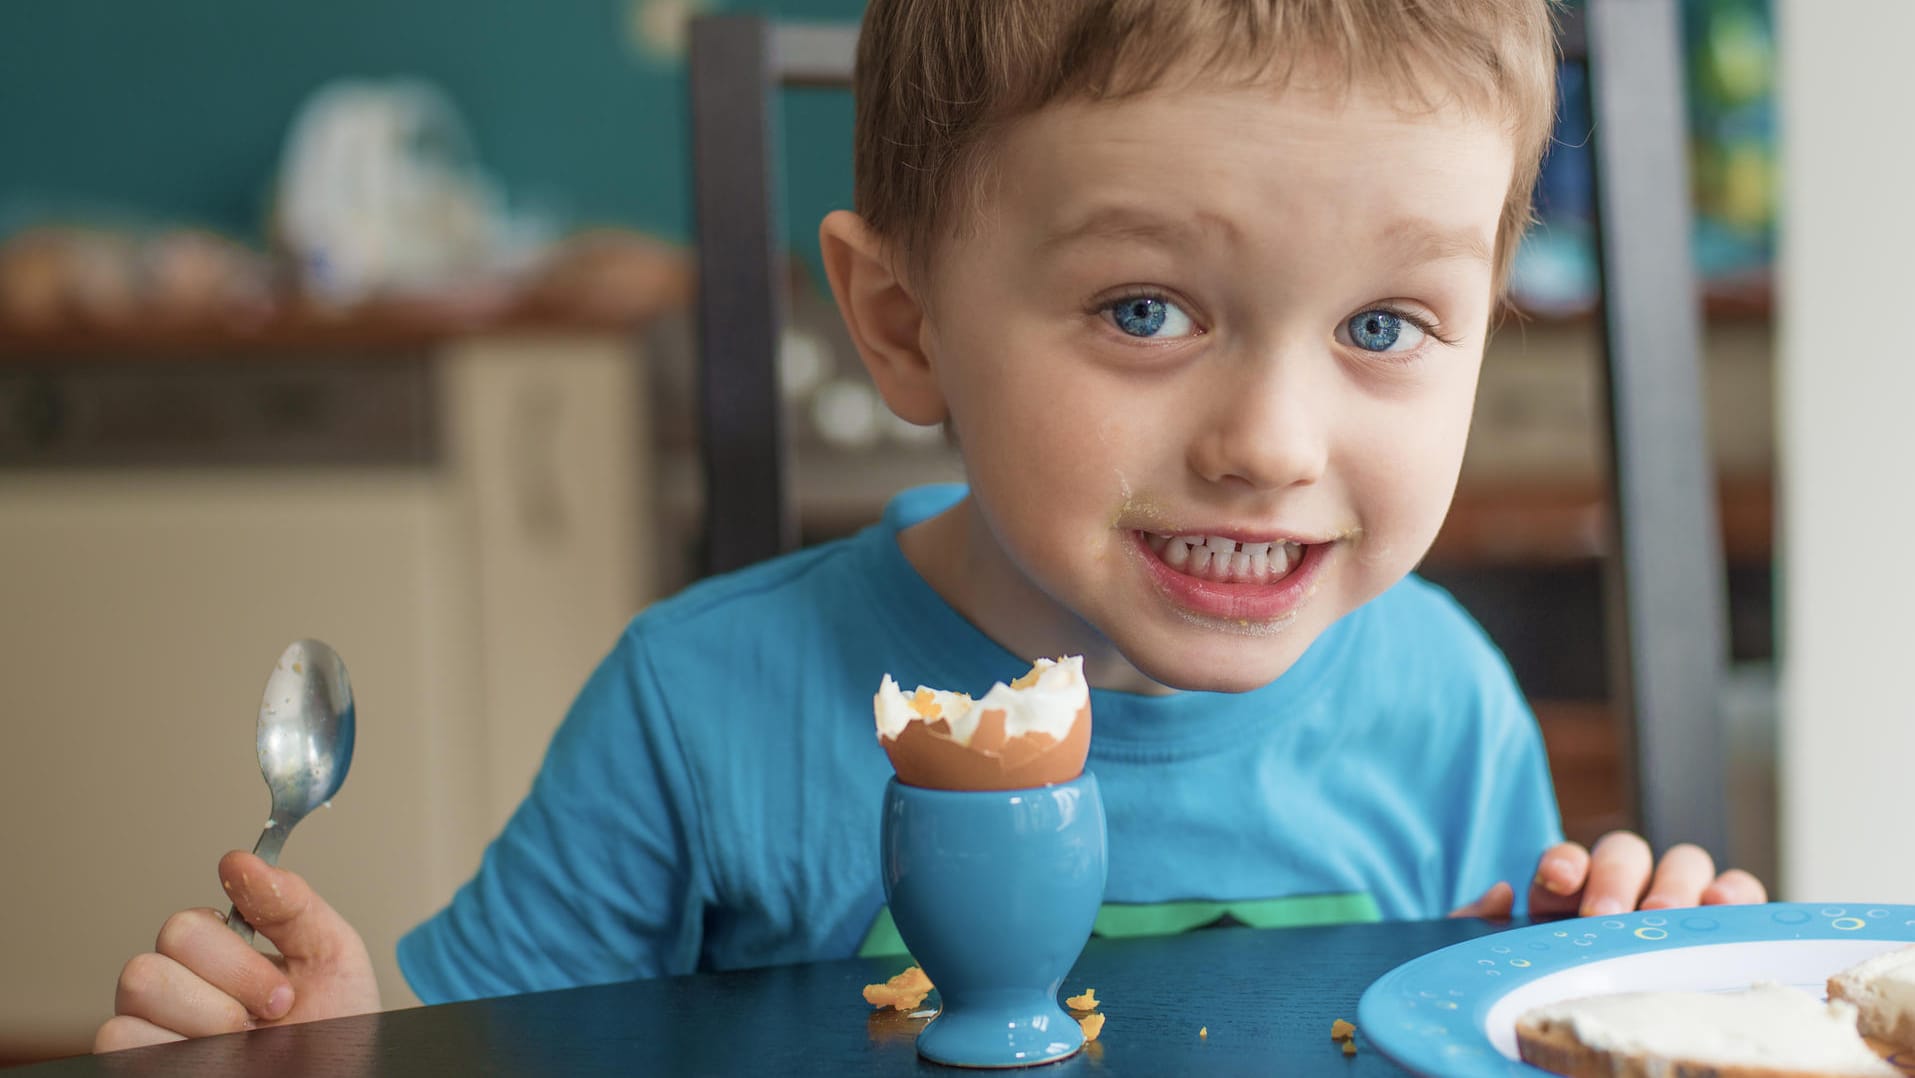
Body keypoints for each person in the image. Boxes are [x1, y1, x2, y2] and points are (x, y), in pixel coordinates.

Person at [95, 0, 1765, 1051]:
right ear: (901, 325)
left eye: (1386, 327)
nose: (1270, 444)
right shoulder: (697, 711)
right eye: (1144, 308)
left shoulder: (1449, 709)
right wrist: (324, 1036)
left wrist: (1593, 996)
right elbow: (481, 1042)